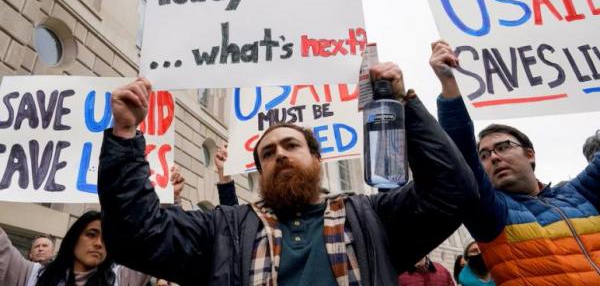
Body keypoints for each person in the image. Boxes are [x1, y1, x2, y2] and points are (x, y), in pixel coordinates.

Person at [98, 62, 478, 285]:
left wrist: (403, 103)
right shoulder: (225, 229)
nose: (279, 154)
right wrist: (125, 136)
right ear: (260, 170)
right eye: (268, 153)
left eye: (291, 146)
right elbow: (138, 236)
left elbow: (453, 190)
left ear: (317, 159)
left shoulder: (370, 217)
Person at [430, 40, 600, 285]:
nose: (494, 157)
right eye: (485, 155)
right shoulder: (492, 213)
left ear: (529, 154)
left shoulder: (580, 193)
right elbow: (459, 153)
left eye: (502, 147)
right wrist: (449, 84)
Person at [0, 210, 149, 286]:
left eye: (106, 239)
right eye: (91, 234)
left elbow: (158, 243)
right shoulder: (30, 274)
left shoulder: (121, 279)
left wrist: (173, 199)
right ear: (74, 238)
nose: (99, 243)